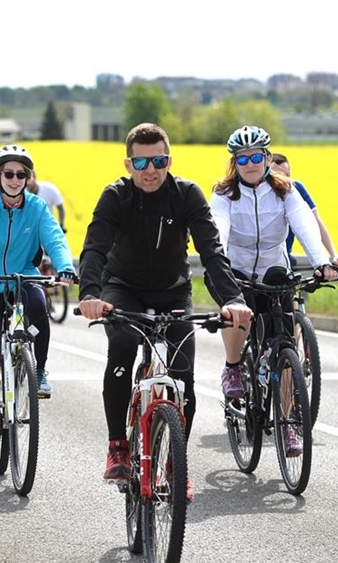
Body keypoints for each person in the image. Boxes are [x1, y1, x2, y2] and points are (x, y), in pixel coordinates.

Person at [77, 123, 253, 500]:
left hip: (173, 291)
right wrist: (90, 293)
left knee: (183, 376)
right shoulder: (115, 196)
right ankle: (117, 448)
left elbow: (211, 251)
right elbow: (94, 247)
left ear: (169, 160)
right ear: (128, 164)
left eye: (158, 160)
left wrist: (232, 299)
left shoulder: (187, 195)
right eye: (141, 162)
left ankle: (176, 465)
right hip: (122, 289)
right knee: (122, 347)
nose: (150, 170)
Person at [209, 126, 338, 439]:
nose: (250, 163)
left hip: (274, 270)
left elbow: (305, 226)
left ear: (267, 157)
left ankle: (288, 425)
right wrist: (221, 260)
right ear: (234, 163)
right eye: (243, 159)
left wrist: (322, 262)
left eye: (256, 156)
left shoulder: (285, 190)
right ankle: (233, 366)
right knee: (236, 313)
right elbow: (219, 228)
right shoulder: (224, 193)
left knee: (285, 346)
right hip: (237, 270)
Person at [0, 145, 76, 461]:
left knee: (38, 306)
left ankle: (41, 369)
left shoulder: (36, 208)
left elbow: (54, 239)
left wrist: (65, 265)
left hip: (24, 278)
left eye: (21, 174)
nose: (15, 179)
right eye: (9, 173)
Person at [270, 153, 338, 273]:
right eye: (278, 175)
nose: (284, 180)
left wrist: (333, 254)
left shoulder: (294, 188)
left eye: (288, 175)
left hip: (284, 263)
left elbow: (315, 221)